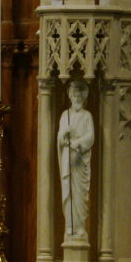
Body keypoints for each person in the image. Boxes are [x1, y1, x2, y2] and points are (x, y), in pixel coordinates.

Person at [57, 80, 95, 241]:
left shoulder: (87, 116)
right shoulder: (65, 115)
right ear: (70, 97)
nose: (76, 97)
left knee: (81, 195)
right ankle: (70, 226)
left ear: (83, 96)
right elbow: (59, 137)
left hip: (81, 160)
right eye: (73, 94)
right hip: (68, 160)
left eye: (78, 94)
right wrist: (64, 135)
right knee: (69, 193)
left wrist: (79, 143)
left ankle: (80, 227)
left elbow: (90, 136)